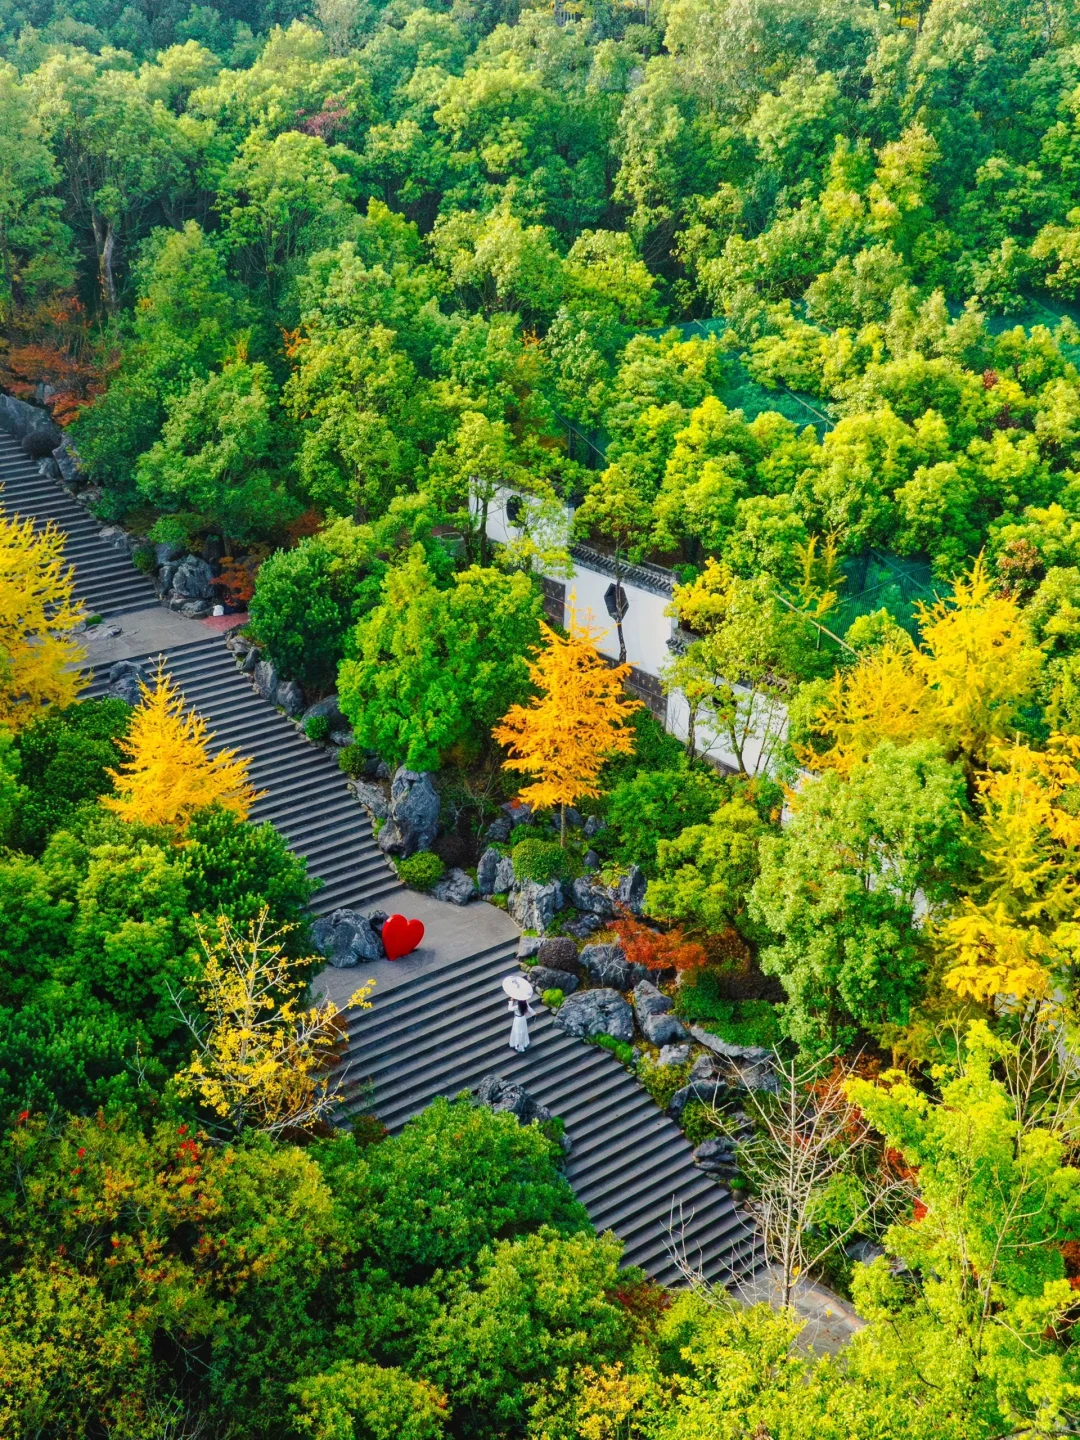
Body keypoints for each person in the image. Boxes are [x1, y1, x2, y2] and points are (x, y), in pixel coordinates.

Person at [502, 975, 536, 1052]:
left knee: (517, 1032)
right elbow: (530, 1009)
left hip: (517, 1019)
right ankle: (522, 1043)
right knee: (523, 1031)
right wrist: (534, 1013)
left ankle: (518, 1045)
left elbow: (509, 1008)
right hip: (523, 1018)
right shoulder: (525, 1004)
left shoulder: (517, 1006)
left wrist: (511, 1001)